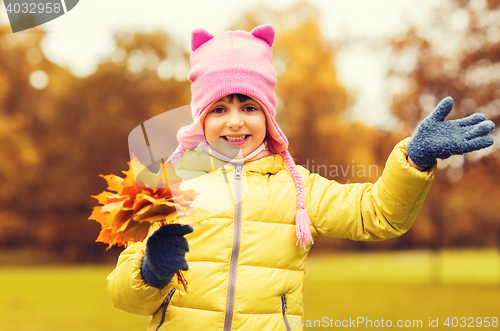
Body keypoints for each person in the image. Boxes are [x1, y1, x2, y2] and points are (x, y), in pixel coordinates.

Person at [107, 24, 495, 331]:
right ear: (200, 118)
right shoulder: (168, 188)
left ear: (268, 116)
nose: (236, 121)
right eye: (219, 108)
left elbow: (375, 214)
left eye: (249, 105)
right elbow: (125, 297)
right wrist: (150, 271)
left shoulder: (297, 187)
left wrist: (413, 159)